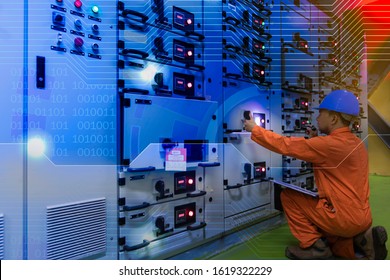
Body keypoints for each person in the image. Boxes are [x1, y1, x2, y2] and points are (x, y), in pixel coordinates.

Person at [243, 89, 388, 259]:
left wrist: (255, 129)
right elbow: (332, 160)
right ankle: (363, 239)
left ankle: (315, 247)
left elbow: (285, 145)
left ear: (334, 118)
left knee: (288, 196)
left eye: (321, 113)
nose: (317, 117)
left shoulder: (327, 145)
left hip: (343, 218)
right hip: (363, 217)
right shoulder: (356, 143)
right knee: (336, 241)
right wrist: (315, 139)